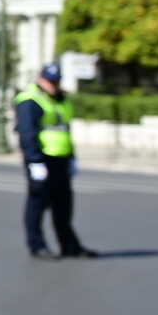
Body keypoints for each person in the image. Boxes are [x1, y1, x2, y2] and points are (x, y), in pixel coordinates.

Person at [17, 61, 96, 260]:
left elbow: (66, 131)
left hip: (61, 158)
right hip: (41, 159)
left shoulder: (61, 100)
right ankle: (37, 245)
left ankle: (69, 245)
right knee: (37, 203)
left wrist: (72, 158)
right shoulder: (30, 99)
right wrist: (34, 161)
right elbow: (27, 133)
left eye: (56, 81)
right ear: (41, 79)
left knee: (63, 205)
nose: (53, 85)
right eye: (50, 81)